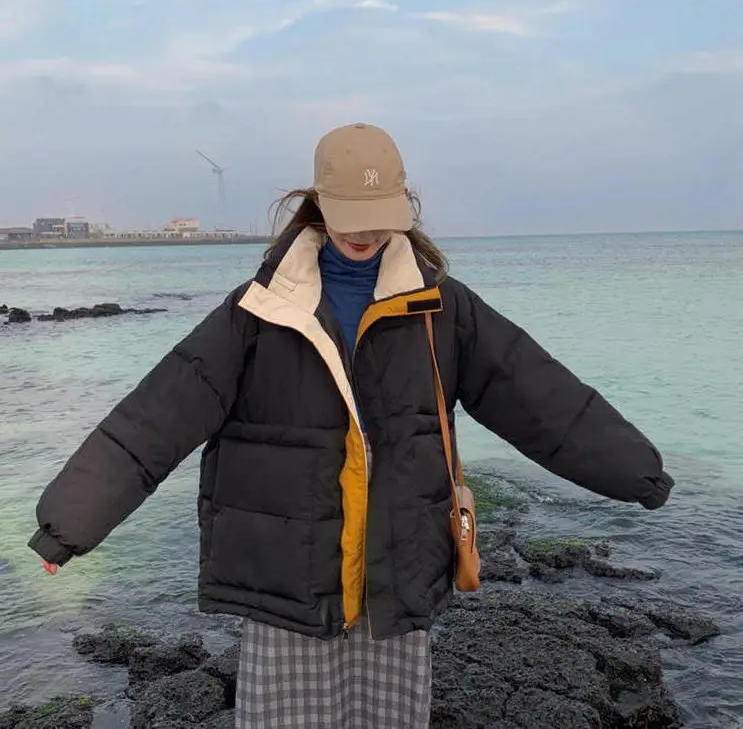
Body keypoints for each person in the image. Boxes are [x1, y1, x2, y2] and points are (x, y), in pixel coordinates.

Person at [28, 122, 674, 728]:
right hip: (289, 577)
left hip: (397, 572)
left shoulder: (441, 307)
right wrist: (69, 524)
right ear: (317, 203)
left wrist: (637, 472)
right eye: (349, 216)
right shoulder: (259, 311)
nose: (364, 233)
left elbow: (542, 399)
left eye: (379, 216)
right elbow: (155, 418)